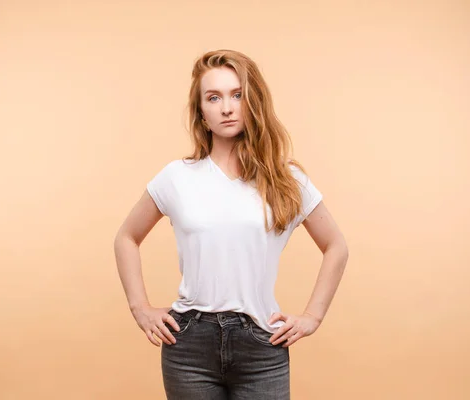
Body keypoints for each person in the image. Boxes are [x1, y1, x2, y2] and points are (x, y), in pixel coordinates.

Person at [114, 49, 349, 400]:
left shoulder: (287, 180)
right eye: (214, 97)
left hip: (261, 344)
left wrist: (312, 316)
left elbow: (336, 247)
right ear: (202, 114)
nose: (227, 107)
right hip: (189, 345)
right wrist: (140, 309)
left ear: (253, 102)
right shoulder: (178, 177)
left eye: (237, 95)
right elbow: (126, 238)